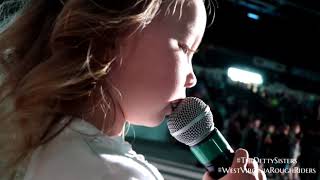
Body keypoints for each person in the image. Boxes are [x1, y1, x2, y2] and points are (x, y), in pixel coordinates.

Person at [0, 0, 266, 179]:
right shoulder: (113, 172)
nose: (192, 77)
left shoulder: (49, 142)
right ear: (112, 37)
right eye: (184, 49)